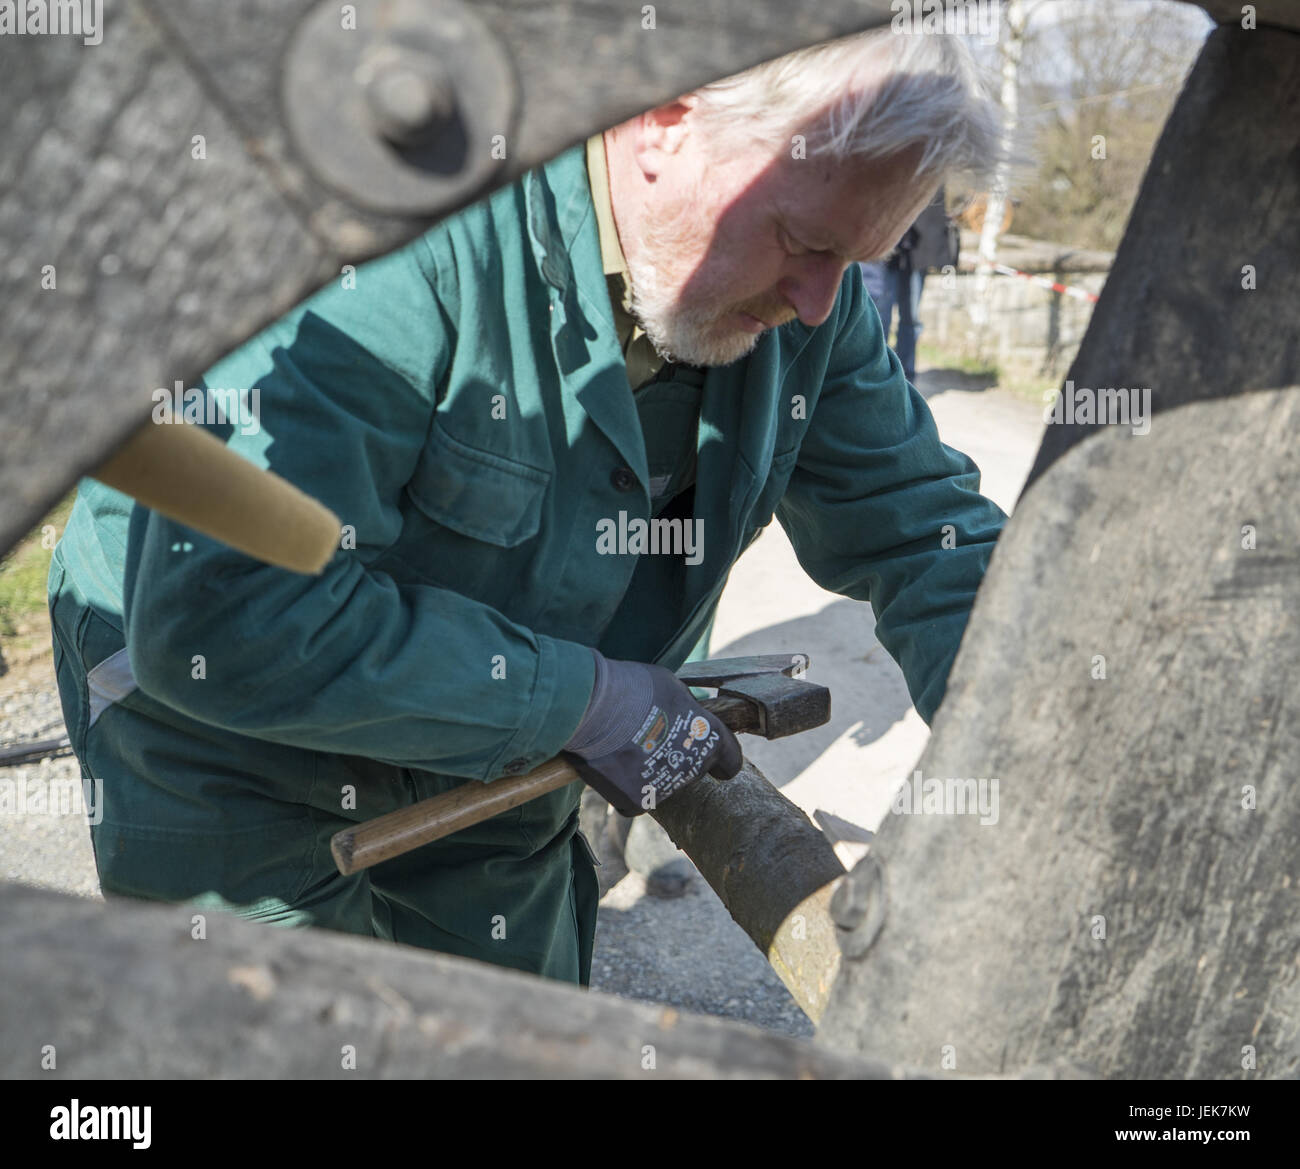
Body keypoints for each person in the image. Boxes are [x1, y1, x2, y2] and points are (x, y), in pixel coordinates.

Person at [47, 28, 1006, 987]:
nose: (816, 302)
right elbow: (230, 613)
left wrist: (1049, 760)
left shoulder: (814, 309)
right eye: (803, 242)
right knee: (294, 1031)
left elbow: (928, 536)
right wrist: (582, 702)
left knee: (512, 1032)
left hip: (506, 760)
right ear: (666, 116)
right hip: (225, 741)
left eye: (856, 259)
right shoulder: (402, 238)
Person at [860, 186, 958, 381]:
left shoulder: (932, 160)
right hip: (886, 247)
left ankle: (906, 378)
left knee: (911, 318)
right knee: (879, 315)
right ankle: (876, 375)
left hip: (918, 250)